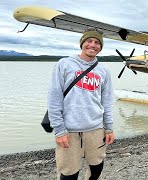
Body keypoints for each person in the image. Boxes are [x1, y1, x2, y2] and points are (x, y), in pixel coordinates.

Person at [48, 27, 114, 179]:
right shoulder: (64, 64)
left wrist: (109, 128)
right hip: (69, 131)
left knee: (96, 169)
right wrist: (59, 130)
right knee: (68, 174)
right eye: (89, 41)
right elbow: (54, 98)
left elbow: (107, 101)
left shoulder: (103, 70)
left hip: (96, 129)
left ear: (100, 47)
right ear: (82, 43)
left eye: (97, 42)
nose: (93, 45)